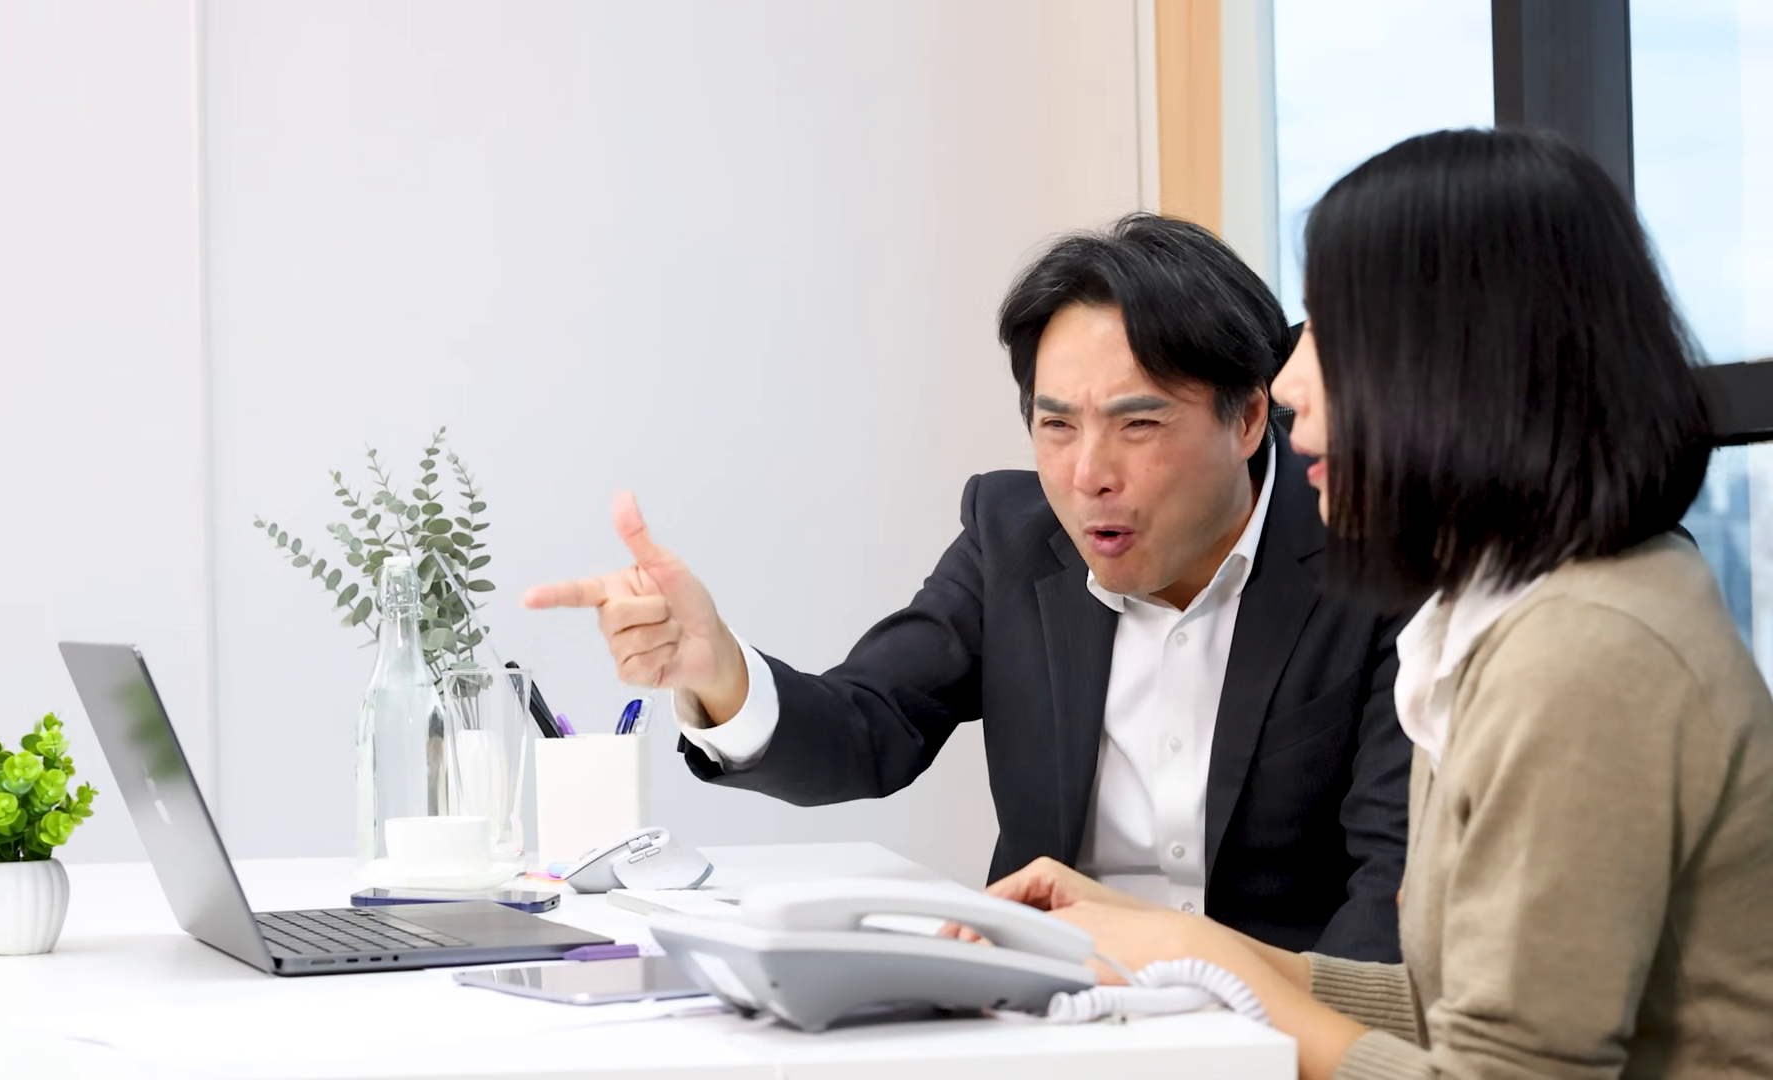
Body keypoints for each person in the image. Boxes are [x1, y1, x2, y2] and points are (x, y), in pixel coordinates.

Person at [986, 128, 1773, 1079]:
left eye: (1331, 330)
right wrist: (1177, 944)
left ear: (1466, 366)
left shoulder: (1585, 650)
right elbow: (1452, 1005)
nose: (1288, 384)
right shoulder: (1512, 614)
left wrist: (1233, 988)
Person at [526, 214, 1413, 961]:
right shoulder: (1013, 536)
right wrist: (717, 667)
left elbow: (1389, 906)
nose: (1089, 475)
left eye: (1137, 424)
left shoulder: (1375, 560)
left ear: (1249, 416)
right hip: (1049, 1016)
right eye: (1055, 425)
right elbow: (869, 726)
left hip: (1279, 1035)